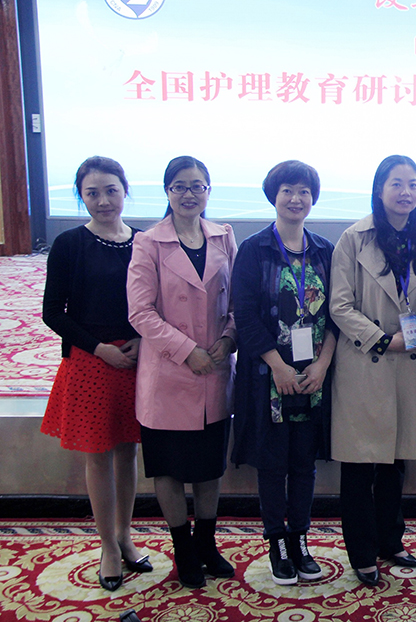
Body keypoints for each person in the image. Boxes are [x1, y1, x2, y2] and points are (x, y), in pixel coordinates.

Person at [328, 155, 416, 587]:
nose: (405, 192)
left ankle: (390, 540)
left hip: (408, 362)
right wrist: (381, 339)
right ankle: (361, 551)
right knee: (361, 463)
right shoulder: (353, 238)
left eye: (413, 184)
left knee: (396, 460)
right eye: (396, 183)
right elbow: (339, 306)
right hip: (367, 363)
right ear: (379, 190)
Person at [127, 156, 237, 588]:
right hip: (169, 375)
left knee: (209, 469)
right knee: (169, 470)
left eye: (197, 186)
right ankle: (183, 549)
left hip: (215, 370)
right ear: (167, 192)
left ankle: (206, 544)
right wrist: (187, 351)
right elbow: (140, 312)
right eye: (179, 186)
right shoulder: (148, 243)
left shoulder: (223, 236)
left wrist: (228, 339)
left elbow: (238, 303)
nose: (189, 194)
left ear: (209, 190)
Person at [41, 156, 150, 591]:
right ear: (81, 196)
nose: (103, 201)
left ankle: (125, 535)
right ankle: (107, 545)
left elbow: (155, 303)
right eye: (92, 193)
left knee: (128, 452)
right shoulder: (69, 243)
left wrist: (141, 340)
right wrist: (100, 349)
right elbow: (53, 312)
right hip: (91, 361)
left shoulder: (144, 242)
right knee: (99, 455)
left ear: (125, 191)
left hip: (137, 359)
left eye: (111, 191)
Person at [231, 161, 337, 585]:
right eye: (288, 191)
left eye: (304, 191)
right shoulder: (254, 249)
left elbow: (336, 314)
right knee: (273, 462)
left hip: (313, 377)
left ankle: (300, 539)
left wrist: (323, 364)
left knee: (304, 463)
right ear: (273, 196)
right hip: (268, 379)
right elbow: (244, 314)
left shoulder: (325, 250)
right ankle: (276, 541)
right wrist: (277, 365)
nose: (296, 199)